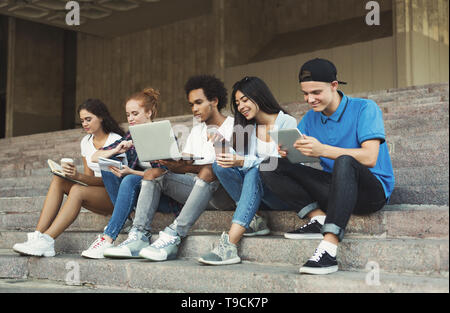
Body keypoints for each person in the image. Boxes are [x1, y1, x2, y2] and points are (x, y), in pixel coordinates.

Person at [260, 58, 395, 275]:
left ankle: (328, 249)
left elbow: (370, 157)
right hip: (336, 189)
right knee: (270, 165)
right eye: (305, 94)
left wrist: (322, 150)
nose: (309, 99)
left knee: (344, 161)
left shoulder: (365, 108)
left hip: (371, 192)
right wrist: (287, 152)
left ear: (334, 86)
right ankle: (318, 217)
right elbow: (302, 154)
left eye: (316, 92)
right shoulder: (310, 119)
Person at [103, 75, 234, 261]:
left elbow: (227, 168)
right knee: (153, 173)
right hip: (196, 189)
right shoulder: (197, 131)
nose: (194, 109)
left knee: (210, 170)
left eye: (198, 102)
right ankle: (139, 236)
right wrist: (173, 164)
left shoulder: (234, 126)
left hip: (223, 195)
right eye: (191, 104)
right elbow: (188, 166)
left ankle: (174, 234)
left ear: (214, 101)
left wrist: (187, 167)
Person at [198, 76, 298, 266]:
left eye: (245, 100)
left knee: (256, 170)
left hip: (283, 193)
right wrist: (224, 146)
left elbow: (283, 165)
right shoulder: (247, 127)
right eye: (237, 103)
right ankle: (255, 219)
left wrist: (243, 160)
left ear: (259, 96)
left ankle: (229, 244)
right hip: (257, 195)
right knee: (220, 165)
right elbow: (240, 161)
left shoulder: (287, 123)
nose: (241, 106)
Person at [12, 99, 126, 257]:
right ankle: (37, 236)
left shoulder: (115, 140)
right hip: (98, 194)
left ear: (101, 117)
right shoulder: (86, 142)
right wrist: (72, 175)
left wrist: (77, 177)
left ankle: (47, 240)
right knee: (59, 180)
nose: (84, 124)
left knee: (78, 191)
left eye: (88, 119)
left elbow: (114, 180)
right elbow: (89, 177)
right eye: (82, 120)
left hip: (116, 196)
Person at [81, 87, 179, 259]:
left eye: (135, 113)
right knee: (109, 169)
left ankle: (108, 238)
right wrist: (117, 149)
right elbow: (95, 157)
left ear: (149, 112)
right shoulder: (129, 137)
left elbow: (164, 175)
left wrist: (130, 171)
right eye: (128, 115)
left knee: (129, 179)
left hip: (162, 195)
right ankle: (126, 220)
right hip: (139, 195)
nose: (131, 119)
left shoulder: (163, 136)